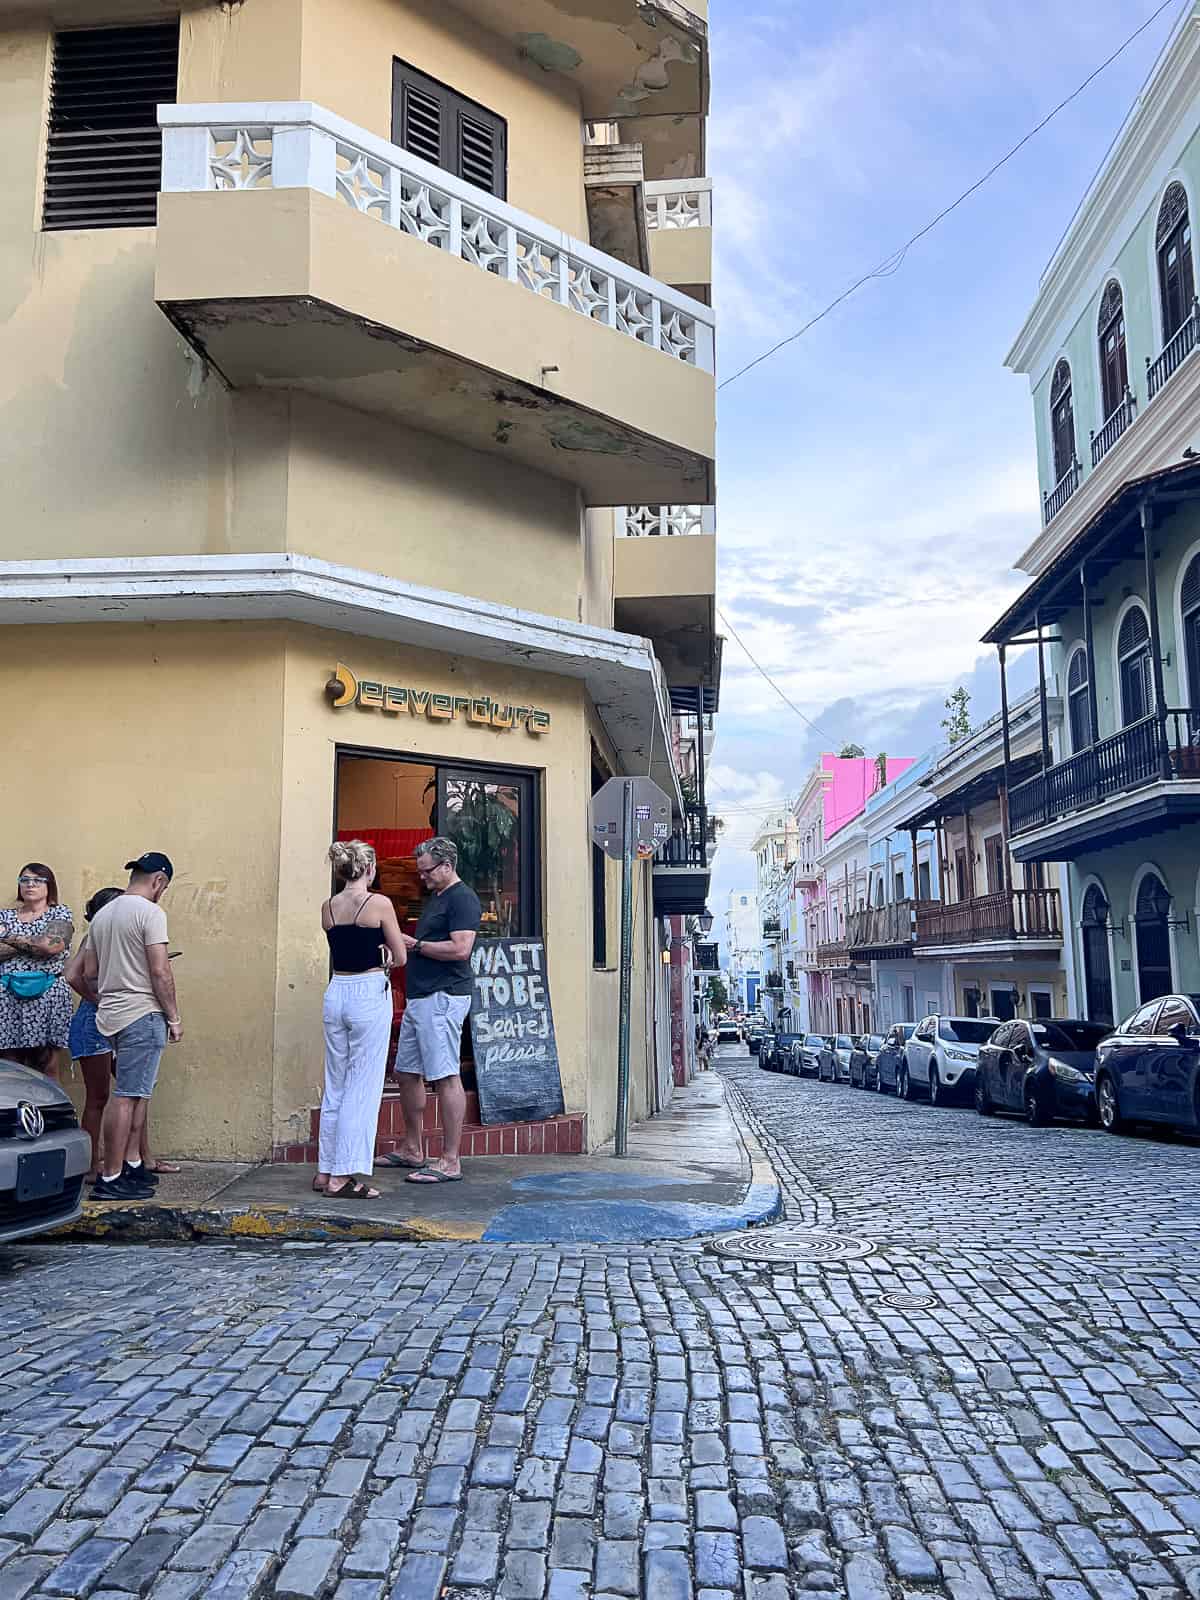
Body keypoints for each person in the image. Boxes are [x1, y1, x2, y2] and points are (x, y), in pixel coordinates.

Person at [80, 852, 182, 1202]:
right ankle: (111, 1175)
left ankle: (132, 1166)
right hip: (143, 1011)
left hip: (111, 1013)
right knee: (126, 1096)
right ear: (159, 882)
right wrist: (174, 1016)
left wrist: (110, 991)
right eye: (163, 888)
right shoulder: (151, 913)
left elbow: (88, 972)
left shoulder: (104, 915)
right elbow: (159, 971)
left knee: (136, 1093)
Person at [381, 836, 481, 1186]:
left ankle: (451, 1159)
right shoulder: (437, 898)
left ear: (447, 865)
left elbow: (461, 949)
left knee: (444, 1074)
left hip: (443, 996)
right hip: (421, 996)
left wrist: (415, 944)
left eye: (426, 871)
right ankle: (413, 1147)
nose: (421, 877)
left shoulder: (463, 899)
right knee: (406, 1072)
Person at [318, 840, 407, 1200]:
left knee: (335, 1083)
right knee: (363, 1086)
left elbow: (342, 949)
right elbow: (399, 956)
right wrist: (385, 954)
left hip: (336, 989)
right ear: (369, 869)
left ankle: (325, 1169)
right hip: (368, 990)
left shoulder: (328, 907)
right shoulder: (379, 903)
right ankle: (343, 1175)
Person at [0, 863, 74, 1077]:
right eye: (24, 880)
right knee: (8, 1067)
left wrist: (9, 938)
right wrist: (36, 943)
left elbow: (52, 946)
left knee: (46, 1065)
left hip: (47, 996)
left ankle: (49, 1111)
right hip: (7, 997)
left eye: (37, 880)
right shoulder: (5, 915)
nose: (30, 884)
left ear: (49, 885)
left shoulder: (59, 913)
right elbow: (42, 945)